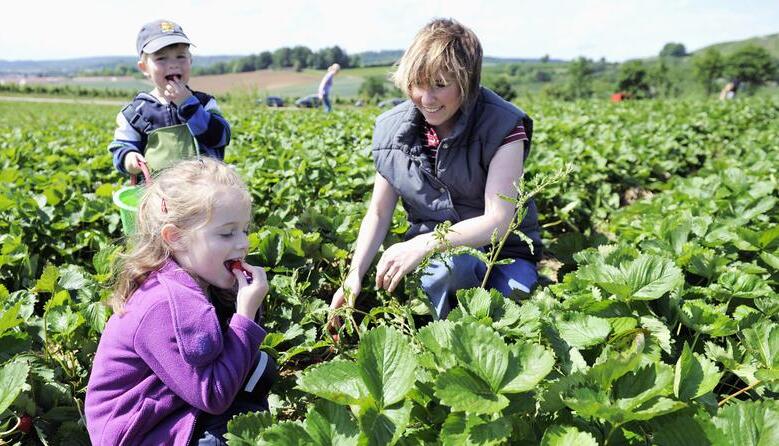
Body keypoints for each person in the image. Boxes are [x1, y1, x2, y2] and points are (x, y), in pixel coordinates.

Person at [328, 18, 542, 322]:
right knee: (445, 272)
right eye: (417, 84)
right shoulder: (393, 131)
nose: (426, 99)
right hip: (438, 261)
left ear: (467, 82)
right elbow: (378, 213)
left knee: (512, 303)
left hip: (504, 252)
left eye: (440, 85)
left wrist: (422, 243)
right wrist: (353, 276)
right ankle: (440, 342)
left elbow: (499, 220)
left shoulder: (502, 124)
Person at [85, 159, 276, 445]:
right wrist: (245, 317)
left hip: (170, 406)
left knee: (260, 367)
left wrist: (243, 302)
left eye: (244, 230)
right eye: (227, 232)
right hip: (136, 433)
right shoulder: (163, 304)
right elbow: (212, 394)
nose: (242, 243)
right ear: (175, 238)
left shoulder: (195, 275)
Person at [108, 20, 231, 177]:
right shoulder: (135, 113)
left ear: (190, 61)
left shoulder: (204, 103)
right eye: (161, 58)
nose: (173, 65)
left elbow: (221, 137)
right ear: (144, 68)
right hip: (159, 196)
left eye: (180, 56)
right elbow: (121, 146)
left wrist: (189, 105)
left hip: (205, 193)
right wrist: (129, 157)